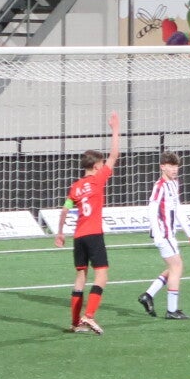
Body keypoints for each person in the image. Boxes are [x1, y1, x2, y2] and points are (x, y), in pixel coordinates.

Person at [53, 111, 120, 333]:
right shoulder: (99, 179)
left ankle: (74, 323)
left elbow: (65, 209)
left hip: (78, 236)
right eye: (102, 163)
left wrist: (59, 233)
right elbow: (114, 154)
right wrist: (115, 129)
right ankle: (89, 316)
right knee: (102, 275)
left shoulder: (75, 187)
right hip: (94, 234)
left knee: (80, 276)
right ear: (97, 166)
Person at [138, 151, 190, 320]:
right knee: (177, 267)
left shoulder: (174, 183)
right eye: (171, 166)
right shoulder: (160, 186)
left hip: (171, 234)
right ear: (162, 167)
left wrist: (188, 231)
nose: (174, 169)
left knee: (174, 267)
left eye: (176, 166)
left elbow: (178, 209)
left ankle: (148, 295)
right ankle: (171, 310)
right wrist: (157, 235)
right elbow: (151, 211)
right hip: (164, 234)